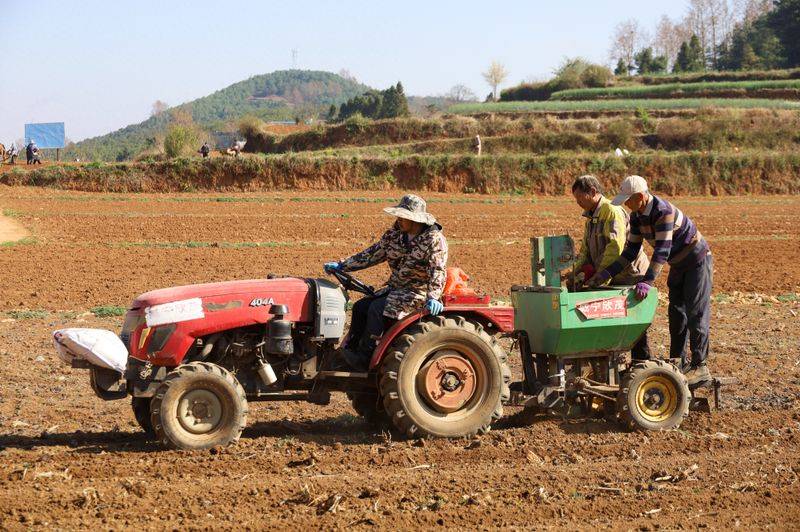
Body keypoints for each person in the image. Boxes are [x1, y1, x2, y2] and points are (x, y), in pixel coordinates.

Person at [589, 175, 713, 386]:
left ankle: (700, 367)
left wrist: (647, 281)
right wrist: (605, 274)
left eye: (628, 200)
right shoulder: (637, 217)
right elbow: (630, 252)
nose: (626, 205)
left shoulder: (663, 212)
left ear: (640, 196)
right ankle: (679, 364)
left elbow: (662, 252)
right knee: (676, 314)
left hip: (696, 262)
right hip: (678, 263)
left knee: (696, 313)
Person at [324, 194, 448, 371]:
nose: (398, 219)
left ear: (415, 220)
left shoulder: (434, 240)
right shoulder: (394, 235)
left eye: (403, 217)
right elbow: (371, 254)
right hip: (396, 288)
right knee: (360, 307)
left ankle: (365, 357)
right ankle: (350, 351)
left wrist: (434, 296)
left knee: (377, 308)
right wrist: (343, 265)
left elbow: (438, 269)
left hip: (418, 292)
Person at [571, 175, 651, 360]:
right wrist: (575, 273)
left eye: (580, 198)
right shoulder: (591, 218)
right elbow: (585, 251)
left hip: (632, 274)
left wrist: (600, 276)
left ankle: (641, 363)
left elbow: (615, 248)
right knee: (615, 324)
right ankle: (616, 364)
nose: (578, 203)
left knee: (635, 326)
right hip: (613, 275)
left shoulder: (612, 211)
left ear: (592, 192)